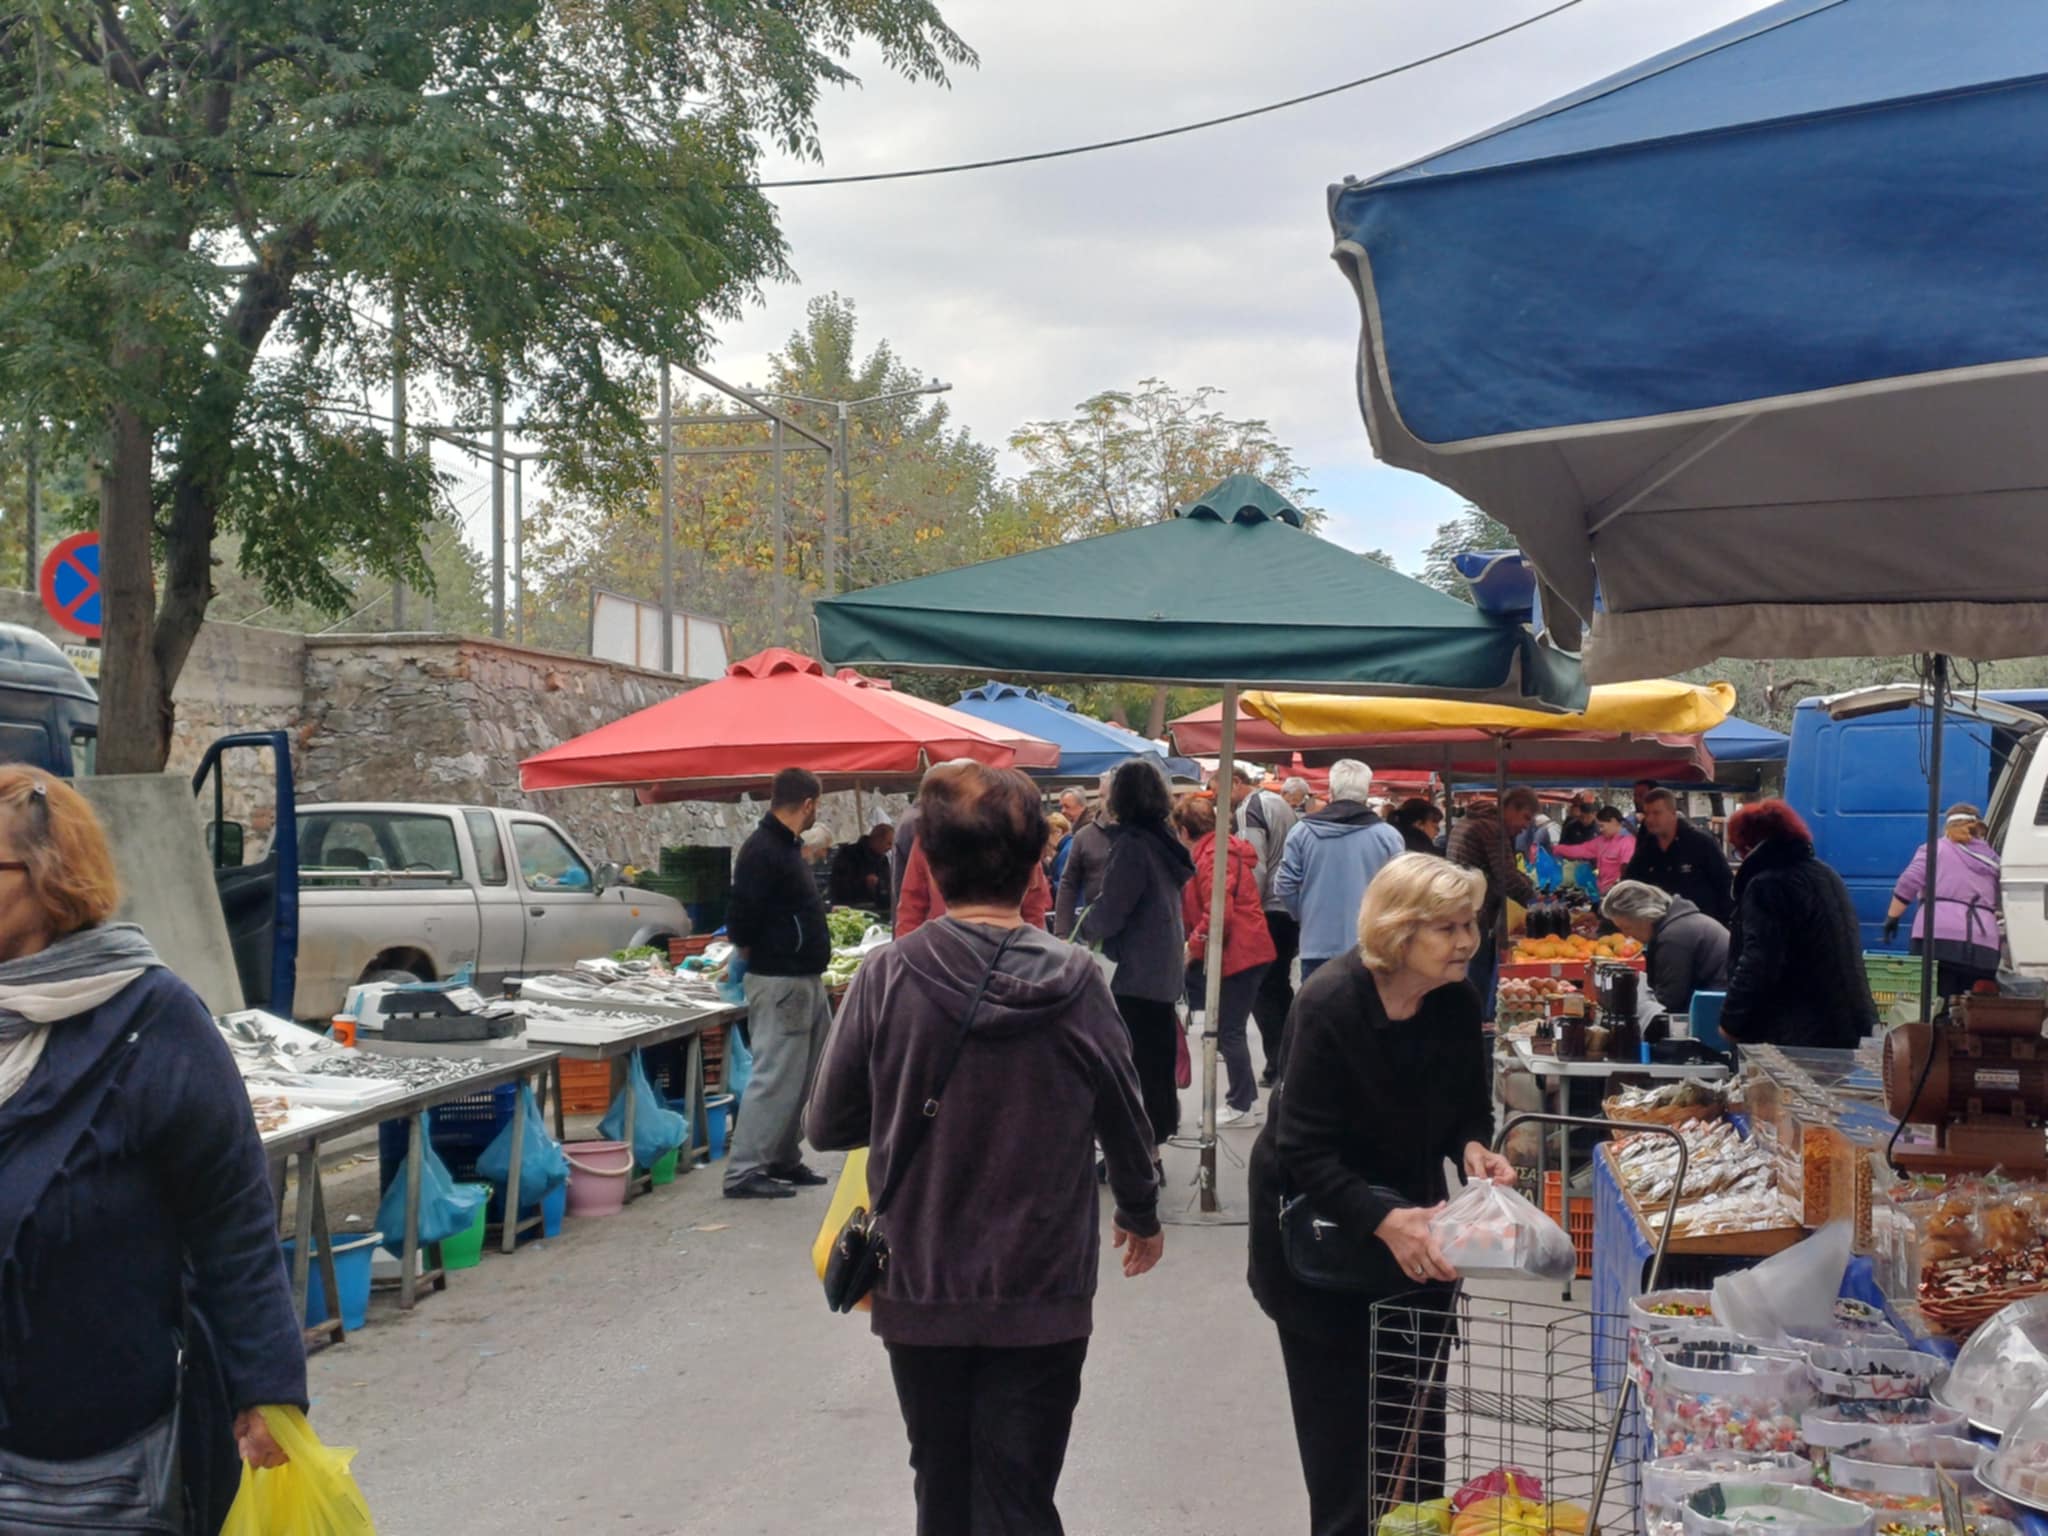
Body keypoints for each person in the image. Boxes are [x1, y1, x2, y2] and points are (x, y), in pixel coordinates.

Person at [807, 761, 1163, 1536]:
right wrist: (1140, 1208)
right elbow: (1125, 1113)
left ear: (927, 862)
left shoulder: (888, 975)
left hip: (922, 1277)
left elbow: (827, 1124)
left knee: (941, 1482)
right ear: (1038, 863)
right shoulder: (1078, 981)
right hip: (1042, 1285)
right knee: (1021, 1491)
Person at [0, 768, 306, 1534]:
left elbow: (232, 1216)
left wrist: (264, 1386)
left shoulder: (152, 1017)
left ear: (50, 880)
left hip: (89, 1458)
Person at [1248, 853, 1516, 1536]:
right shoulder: (1330, 1002)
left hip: (1417, 1234)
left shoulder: (1454, 1000)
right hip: (1318, 1237)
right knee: (1342, 1449)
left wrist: (1473, 1150)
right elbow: (1301, 1149)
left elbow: (1466, 1107)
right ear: (1398, 931)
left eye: (1470, 926)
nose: (1465, 942)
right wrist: (1383, 1220)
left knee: (1413, 1440)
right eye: (1447, 928)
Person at [723, 767, 835, 1199]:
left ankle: (783, 1155)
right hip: (780, 978)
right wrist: (755, 952)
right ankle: (745, 1170)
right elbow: (741, 917)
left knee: (805, 1074)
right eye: (816, 807)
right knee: (775, 1075)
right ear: (808, 804)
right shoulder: (763, 850)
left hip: (802, 975)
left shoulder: (784, 847)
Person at [1078, 760, 1196, 1151]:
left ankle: (1138, 1150)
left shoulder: (1131, 845)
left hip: (1132, 973)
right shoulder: (1164, 840)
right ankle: (1154, 1143)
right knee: (1155, 1062)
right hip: (1160, 970)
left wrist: (1085, 924)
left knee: (1129, 1065)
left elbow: (1112, 912)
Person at [1720, 799, 1877, 1049]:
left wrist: (1731, 1021)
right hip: (1847, 1022)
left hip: (1799, 1030)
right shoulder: (1825, 874)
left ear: (1749, 846)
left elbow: (1759, 960)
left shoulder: (1768, 885)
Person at [1175, 796, 1276, 1126]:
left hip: (1240, 952)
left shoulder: (1212, 857)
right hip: (1245, 949)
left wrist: (1193, 945)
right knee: (1229, 1029)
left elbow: (1218, 914)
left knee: (1228, 1031)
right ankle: (1245, 1099)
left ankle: (1242, 1104)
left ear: (1185, 830)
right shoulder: (1218, 851)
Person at [1274, 760, 1407, 985]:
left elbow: (1284, 886)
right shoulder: (1388, 836)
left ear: (1332, 791)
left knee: (1318, 1015)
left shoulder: (1302, 832)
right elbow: (1402, 892)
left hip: (1317, 944)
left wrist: (1304, 913)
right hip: (1372, 945)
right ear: (1365, 792)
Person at [1885, 803, 2003, 999]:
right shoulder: (1993, 859)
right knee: (1971, 1011)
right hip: (1984, 945)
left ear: (1947, 828)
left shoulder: (1935, 849)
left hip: (1937, 938)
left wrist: (1892, 917)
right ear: (1978, 827)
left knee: (1934, 1004)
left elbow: (1909, 881)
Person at [1239, 774, 1303, 1088]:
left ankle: (1279, 1064)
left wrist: (1248, 909)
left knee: (1263, 989)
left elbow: (1256, 863)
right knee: (1277, 987)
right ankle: (1286, 1060)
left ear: (1235, 782)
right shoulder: (1279, 804)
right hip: (1287, 909)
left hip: (1268, 909)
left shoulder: (1251, 806)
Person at [1448, 786, 1538, 999]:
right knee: (1477, 972)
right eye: (1525, 817)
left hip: (1461, 905)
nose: (1525, 826)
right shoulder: (1492, 830)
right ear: (1510, 809)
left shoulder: (1469, 822)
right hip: (1476, 910)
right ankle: (1479, 1019)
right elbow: (1505, 876)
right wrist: (1534, 900)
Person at [1601, 879, 1730, 1016]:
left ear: (1644, 916)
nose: (1626, 935)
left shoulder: (1674, 937)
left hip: (1716, 1011)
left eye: (1626, 927)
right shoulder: (1678, 924)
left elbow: (1668, 1001)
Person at [1620, 788, 1735, 925]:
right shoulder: (1647, 848)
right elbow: (1629, 884)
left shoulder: (1700, 842)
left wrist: (1724, 927)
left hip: (1701, 928)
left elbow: (1726, 885)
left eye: (1656, 813)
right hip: (1660, 928)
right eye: (1646, 813)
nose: (1649, 819)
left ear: (1673, 813)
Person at [1053, 770, 1117, 938]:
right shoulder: (1085, 836)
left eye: (1108, 795)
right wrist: (1062, 935)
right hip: (1095, 934)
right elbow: (1068, 884)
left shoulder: (1141, 836)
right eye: (1102, 796)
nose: (1105, 802)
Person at [1554, 806, 1638, 895]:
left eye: (1602, 826)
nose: (1600, 830)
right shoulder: (1601, 841)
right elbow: (1580, 849)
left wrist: (1614, 888)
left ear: (1613, 821)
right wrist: (1555, 849)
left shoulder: (1628, 842)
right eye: (1599, 826)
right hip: (1601, 892)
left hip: (1617, 894)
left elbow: (1628, 872)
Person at [829, 815, 896, 914]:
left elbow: (887, 886)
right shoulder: (848, 854)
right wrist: (863, 882)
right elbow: (838, 885)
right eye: (889, 843)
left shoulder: (883, 860)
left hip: (878, 909)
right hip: (850, 908)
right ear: (877, 839)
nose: (890, 848)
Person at [1043, 811, 1072, 881]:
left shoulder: (1065, 852)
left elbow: (1062, 884)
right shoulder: (1071, 845)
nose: (1047, 841)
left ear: (1058, 832)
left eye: (1047, 835)